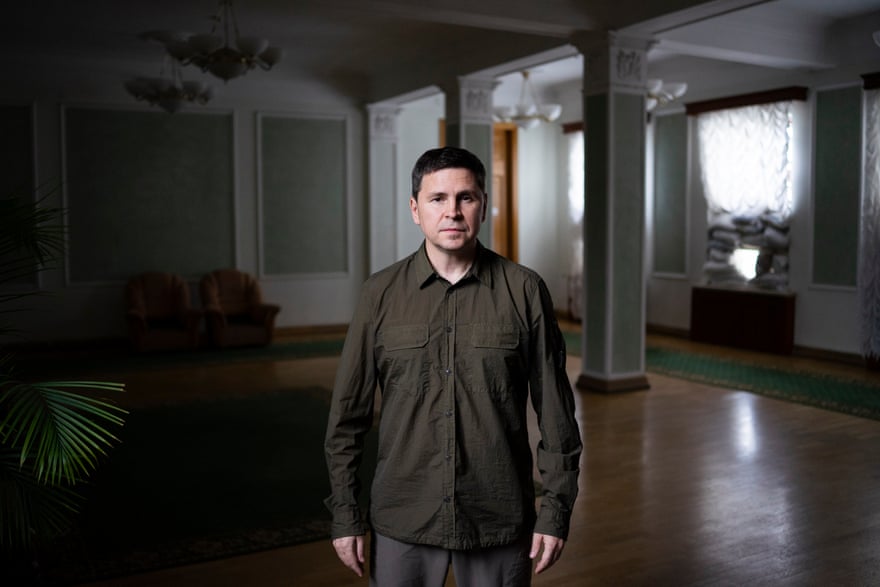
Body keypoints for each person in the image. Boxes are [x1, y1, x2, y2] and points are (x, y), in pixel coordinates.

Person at [324, 146, 582, 586]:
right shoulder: (379, 294)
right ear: (415, 209)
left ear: (484, 205)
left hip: (496, 516)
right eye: (437, 199)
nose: (453, 212)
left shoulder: (524, 291)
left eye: (466, 197)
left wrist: (555, 512)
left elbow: (557, 417)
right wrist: (346, 515)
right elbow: (346, 419)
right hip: (403, 516)